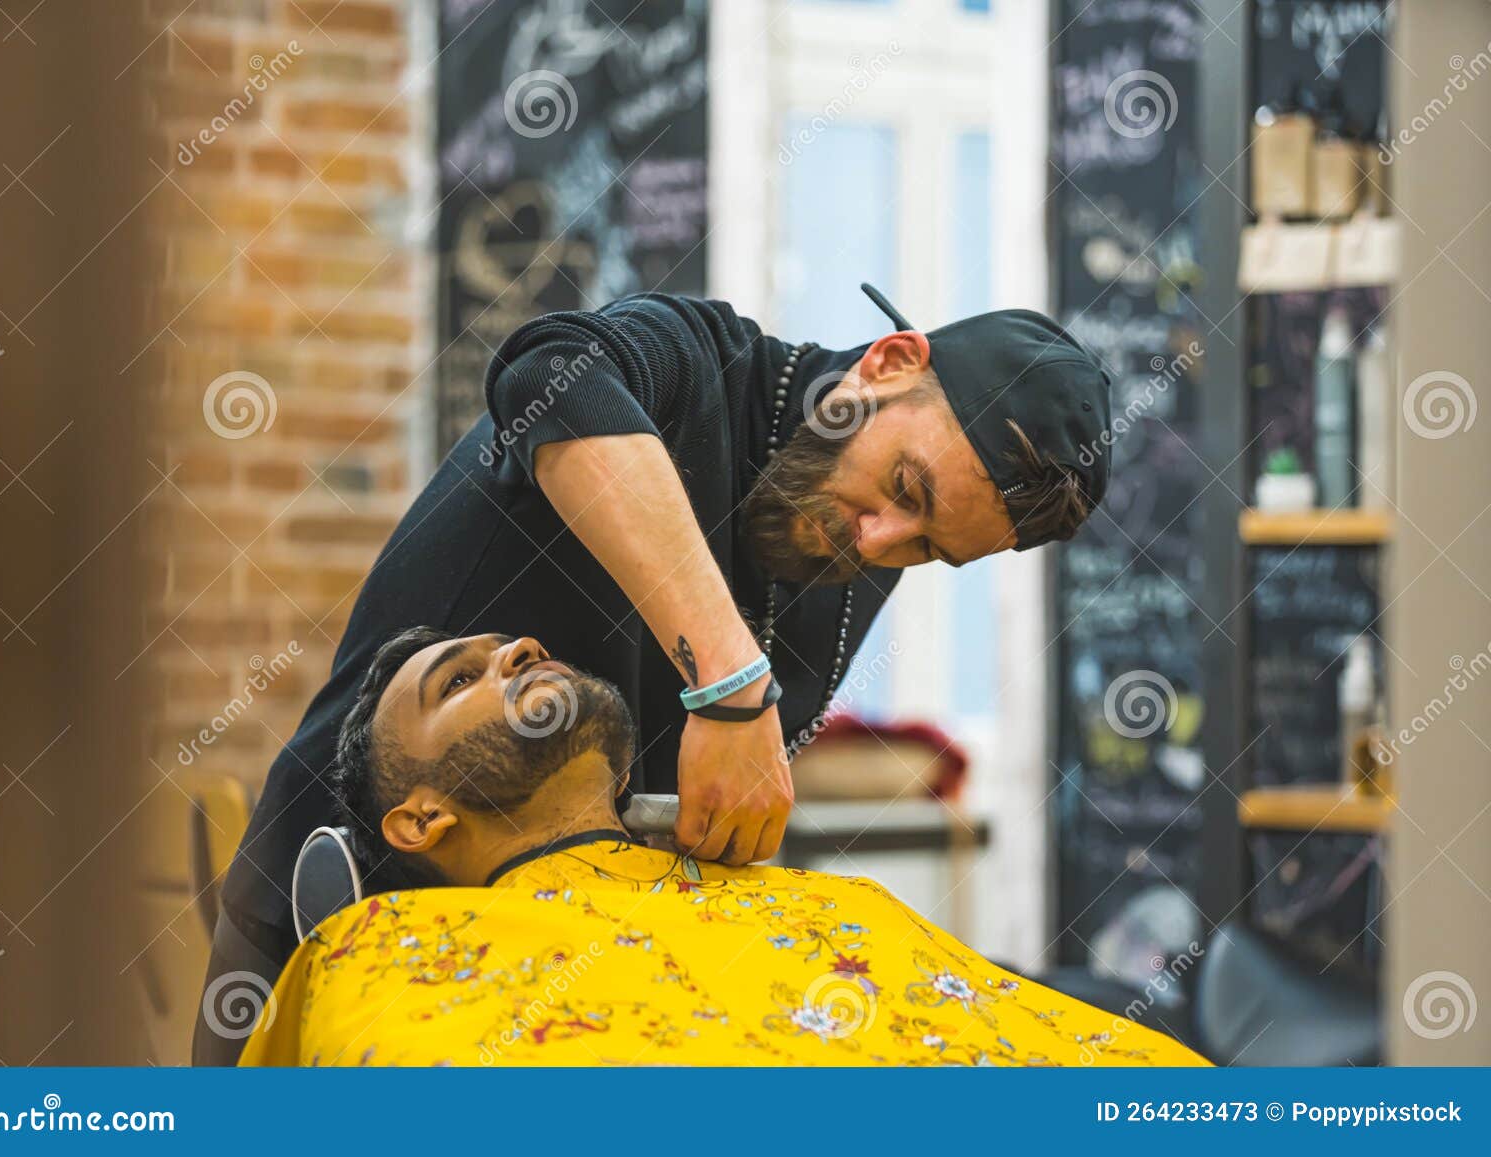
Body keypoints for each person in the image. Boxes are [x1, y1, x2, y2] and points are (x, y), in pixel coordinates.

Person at [200, 284, 1113, 1063]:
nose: (878, 543)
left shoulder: (857, 541)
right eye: (905, 491)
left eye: (929, 548)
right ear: (886, 364)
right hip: (348, 906)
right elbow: (544, 371)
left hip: (590, 994)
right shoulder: (700, 367)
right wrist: (729, 681)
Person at [231, 628, 1203, 1068]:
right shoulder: (379, 951)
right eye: (460, 680)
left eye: (509, 646)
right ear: (418, 820)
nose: (517, 649)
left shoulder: (829, 908)